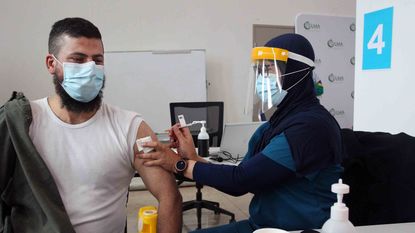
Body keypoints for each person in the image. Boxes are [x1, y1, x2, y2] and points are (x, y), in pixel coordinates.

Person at [137, 33, 343, 232]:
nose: (263, 78)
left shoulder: (309, 128)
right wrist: (193, 158)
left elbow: (241, 181)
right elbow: (246, 176)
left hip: (296, 230)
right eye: (261, 71)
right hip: (264, 225)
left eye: (270, 69)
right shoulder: (279, 123)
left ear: (296, 72)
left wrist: (177, 163)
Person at [0, 17, 181, 233]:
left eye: (97, 60)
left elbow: (169, 194)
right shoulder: (21, 124)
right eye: (77, 59)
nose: (90, 68)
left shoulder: (131, 128)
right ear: (51, 63)